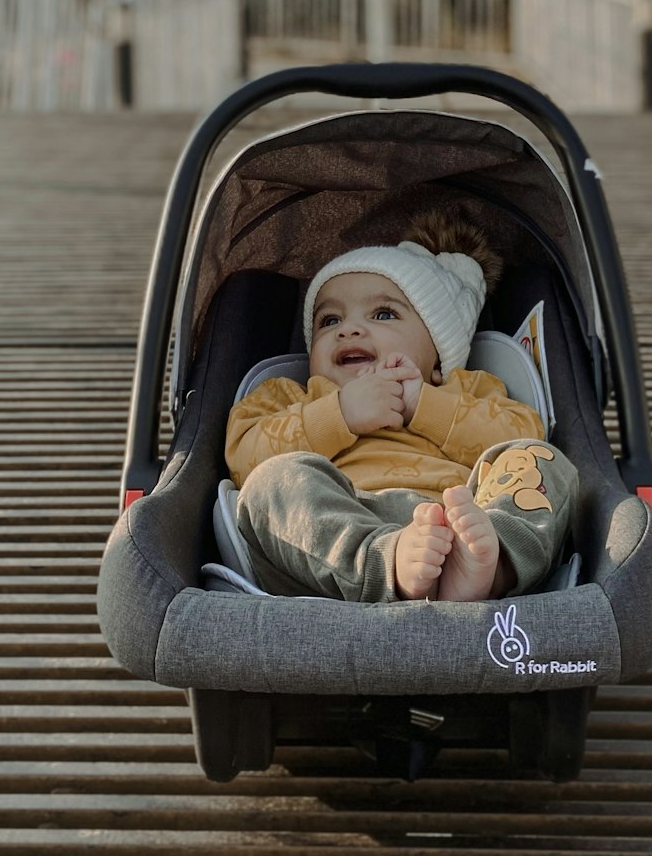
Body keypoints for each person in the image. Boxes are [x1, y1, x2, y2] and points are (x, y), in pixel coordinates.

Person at [223, 211, 578, 604]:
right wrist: (338, 414)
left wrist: (425, 407)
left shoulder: (467, 388)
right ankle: (388, 565)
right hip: (337, 537)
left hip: (459, 521)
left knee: (540, 457)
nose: (349, 329)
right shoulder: (291, 396)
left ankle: (489, 568)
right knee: (273, 480)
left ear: (439, 355)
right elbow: (244, 457)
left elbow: (521, 434)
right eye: (329, 320)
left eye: (383, 314)